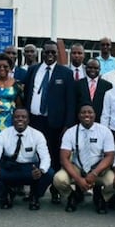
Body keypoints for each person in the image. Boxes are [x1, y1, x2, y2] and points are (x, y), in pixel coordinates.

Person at [25, 40, 76, 175]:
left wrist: (67, 125)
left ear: (57, 53)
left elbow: (71, 101)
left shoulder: (66, 73)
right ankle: (34, 190)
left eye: (53, 52)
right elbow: (27, 94)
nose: (50, 55)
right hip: (34, 120)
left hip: (55, 123)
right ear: (42, 53)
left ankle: (54, 189)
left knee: (53, 155)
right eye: (47, 52)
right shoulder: (33, 70)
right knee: (33, 154)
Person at [53, 104, 115, 213]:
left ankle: (102, 198)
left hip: (98, 169)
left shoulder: (105, 131)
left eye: (90, 112)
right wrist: (78, 179)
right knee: (59, 179)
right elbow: (64, 158)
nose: (87, 115)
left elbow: (110, 156)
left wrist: (94, 173)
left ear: (95, 115)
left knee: (114, 182)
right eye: (83, 112)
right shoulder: (70, 132)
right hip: (77, 167)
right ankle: (72, 196)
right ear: (79, 115)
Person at [0, 108, 53, 210]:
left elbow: (46, 157)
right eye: (17, 117)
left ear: (28, 120)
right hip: (10, 168)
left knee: (49, 173)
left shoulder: (37, 135)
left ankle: (35, 195)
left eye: (23, 117)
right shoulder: (3, 134)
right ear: (12, 119)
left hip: (30, 169)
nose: (20, 119)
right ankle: (7, 194)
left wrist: (41, 170)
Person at [75, 58, 112, 122]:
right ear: (85, 68)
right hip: (81, 121)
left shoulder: (107, 86)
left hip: (100, 121)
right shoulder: (77, 84)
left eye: (95, 68)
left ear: (100, 69)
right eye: (90, 67)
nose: (92, 70)